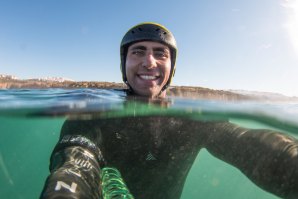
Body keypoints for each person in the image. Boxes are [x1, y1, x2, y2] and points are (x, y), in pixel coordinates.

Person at [40, 22, 298, 199]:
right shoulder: (91, 113)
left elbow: (244, 145)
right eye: (138, 51)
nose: (148, 62)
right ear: (124, 64)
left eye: (160, 53)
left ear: (172, 67)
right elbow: (74, 163)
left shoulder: (193, 118)